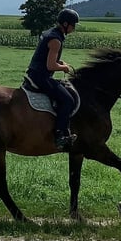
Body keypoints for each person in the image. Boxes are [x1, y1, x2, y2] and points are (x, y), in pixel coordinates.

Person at [26, 8, 80, 151]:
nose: (74, 28)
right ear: (66, 24)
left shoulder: (50, 33)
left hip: (35, 73)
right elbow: (50, 65)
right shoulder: (56, 40)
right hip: (40, 77)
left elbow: (45, 58)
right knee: (68, 100)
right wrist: (64, 68)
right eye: (73, 25)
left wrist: (59, 62)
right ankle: (60, 135)